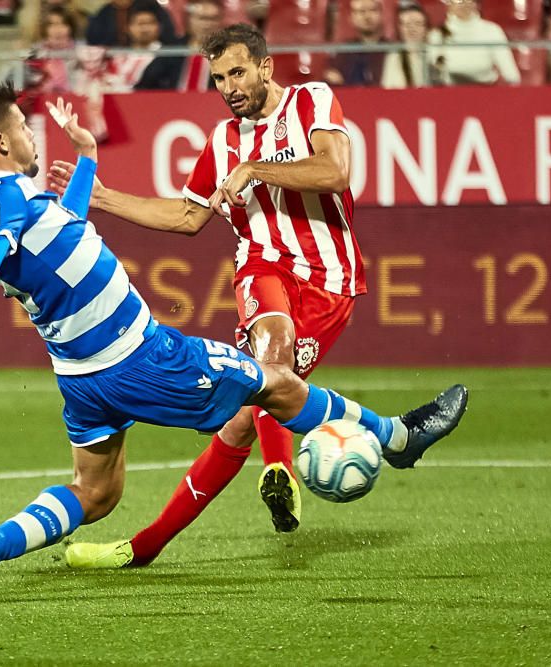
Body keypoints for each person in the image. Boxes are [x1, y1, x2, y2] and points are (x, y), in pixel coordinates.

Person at [0, 83, 468, 600]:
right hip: (142, 357)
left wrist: (89, 160)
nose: (31, 135)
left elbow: (64, 229)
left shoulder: (16, 199)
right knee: (274, 383)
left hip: (81, 377)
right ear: (0, 140)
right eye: (24, 128)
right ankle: (397, 438)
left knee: (95, 495)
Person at [45, 23, 369, 570]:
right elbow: (190, 214)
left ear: (265, 67)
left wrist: (254, 170)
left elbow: (335, 172)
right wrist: (102, 198)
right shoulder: (222, 141)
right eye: (219, 77)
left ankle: (142, 548)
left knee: (243, 417)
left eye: (238, 72)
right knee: (271, 347)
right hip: (262, 267)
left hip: (329, 280)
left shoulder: (311, 100)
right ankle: (281, 470)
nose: (229, 86)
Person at [427, 0, 519, 86]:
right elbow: (433, 73)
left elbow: (511, 75)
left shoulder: (492, 30)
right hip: (447, 94)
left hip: (486, 94)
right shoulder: (437, 34)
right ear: (448, 3)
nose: (464, 3)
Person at [325, 0, 387, 87]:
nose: (367, 16)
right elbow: (332, 78)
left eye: (373, 10)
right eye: (361, 11)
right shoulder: (344, 52)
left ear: (381, 15)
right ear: (352, 18)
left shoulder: (392, 50)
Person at [381, 2, 441, 89]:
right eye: (407, 24)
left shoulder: (435, 54)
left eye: (417, 24)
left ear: (426, 28)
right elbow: (388, 90)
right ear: (400, 28)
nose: (412, 29)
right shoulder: (393, 57)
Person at [85, 0, 176, 47]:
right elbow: (93, 39)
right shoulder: (104, 11)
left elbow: (168, 32)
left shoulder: (148, 5)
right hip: (117, 58)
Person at [176, 0, 223, 91]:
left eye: (213, 19)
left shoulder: (227, 52)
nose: (207, 24)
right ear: (189, 20)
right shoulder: (173, 48)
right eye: (202, 18)